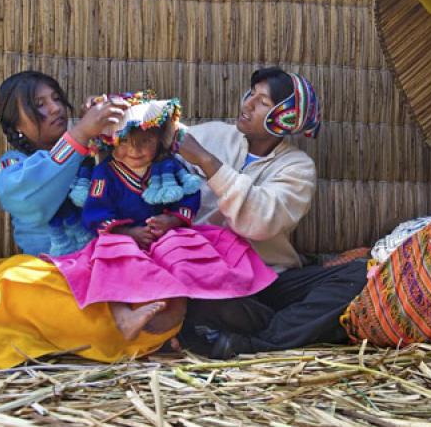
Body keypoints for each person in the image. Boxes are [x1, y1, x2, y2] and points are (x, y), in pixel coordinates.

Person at [0, 71, 181, 368]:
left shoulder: (95, 154)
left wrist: (107, 128)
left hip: (109, 271)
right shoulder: (12, 165)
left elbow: (128, 186)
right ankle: (117, 333)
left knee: (164, 283)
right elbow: (30, 202)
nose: (54, 108)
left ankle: (121, 329)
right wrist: (79, 134)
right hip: (56, 279)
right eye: (38, 104)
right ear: (16, 125)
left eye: (56, 99)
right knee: (9, 285)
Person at [47, 94, 277, 341]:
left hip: (163, 234)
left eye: (145, 140)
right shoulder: (104, 173)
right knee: (109, 255)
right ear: (111, 141)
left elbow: (189, 198)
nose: (135, 149)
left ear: (159, 140)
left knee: (181, 248)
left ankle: (177, 310)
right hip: (122, 236)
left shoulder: (169, 166)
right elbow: (95, 212)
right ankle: (124, 317)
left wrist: (172, 221)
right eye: (125, 141)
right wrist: (128, 233)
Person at [175, 67, 368, 358]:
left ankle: (258, 341)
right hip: (210, 274)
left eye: (263, 102)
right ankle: (280, 332)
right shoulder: (212, 135)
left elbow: (260, 222)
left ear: (286, 118)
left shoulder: (297, 168)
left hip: (269, 280)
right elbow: (151, 144)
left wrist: (207, 162)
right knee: (204, 299)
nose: (248, 104)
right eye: (250, 95)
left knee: (360, 274)